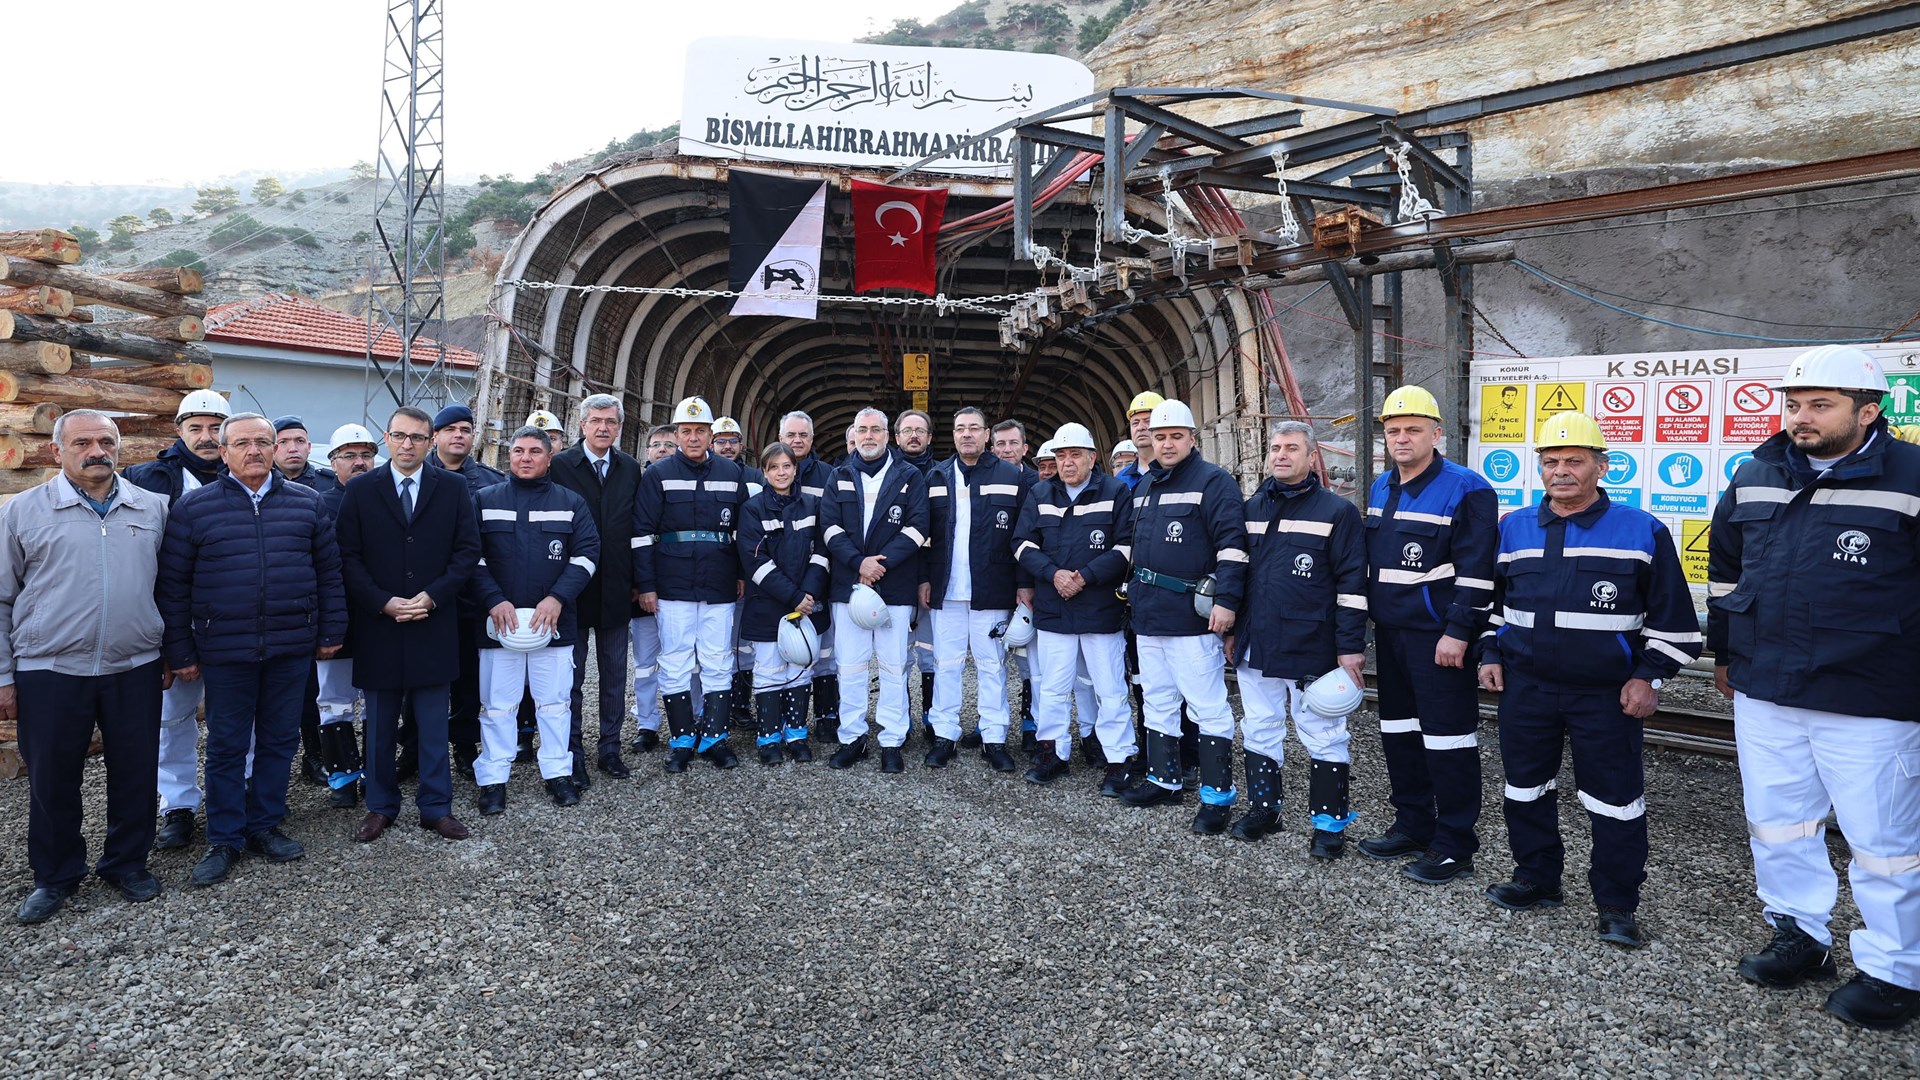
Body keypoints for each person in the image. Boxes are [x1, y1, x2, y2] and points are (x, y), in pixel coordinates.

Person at [1709, 345, 1920, 1030]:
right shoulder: (1755, 473)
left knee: (1884, 843)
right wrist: (1723, 653)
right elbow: (1726, 570)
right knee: (1779, 825)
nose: (1802, 417)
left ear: (1868, 410)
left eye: (1819, 405)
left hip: (1869, 693)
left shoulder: (1912, 475)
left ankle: (1894, 972)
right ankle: (1800, 936)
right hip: (1766, 686)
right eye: (1795, 404)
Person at [1478, 411, 1699, 949]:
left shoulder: (1641, 529)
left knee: (1615, 800)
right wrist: (1490, 652)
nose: (1561, 472)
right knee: (1525, 789)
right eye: (1550, 462)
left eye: (1574, 461)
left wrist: (1650, 677)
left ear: (1601, 466)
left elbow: (1674, 621)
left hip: (1606, 694)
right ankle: (1536, 878)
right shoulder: (1515, 528)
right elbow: (1494, 606)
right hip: (1526, 688)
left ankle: (1617, 904)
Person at [157, 413, 347, 886]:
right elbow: (173, 585)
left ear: (276, 448)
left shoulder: (307, 503)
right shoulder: (194, 508)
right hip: (224, 648)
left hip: (290, 644)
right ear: (224, 453)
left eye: (263, 442)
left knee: (280, 739)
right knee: (226, 744)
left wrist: (329, 631)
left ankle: (264, 824)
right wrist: (180, 650)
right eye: (242, 443)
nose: (254, 451)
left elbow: (329, 574)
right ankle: (224, 836)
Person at [1, 411, 170, 923]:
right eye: (82, 442)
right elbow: (1, 598)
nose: (96, 450)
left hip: (134, 665)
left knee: (136, 772)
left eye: (105, 441)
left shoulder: (154, 507)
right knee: (52, 777)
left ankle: (126, 864)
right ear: (57, 452)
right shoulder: (21, 512)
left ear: (119, 448)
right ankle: (56, 876)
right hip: (51, 668)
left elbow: (168, 586)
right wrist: (4, 675)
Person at [1358, 385, 1497, 883]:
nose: (1401, 438)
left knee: (1449, 740)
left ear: (1436, 434)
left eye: (1412, 429)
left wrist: (1459, 632)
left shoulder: (1468, 488)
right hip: (1391, 635)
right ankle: (1413, 824)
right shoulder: (1382, 486)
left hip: (1438, 638)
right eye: (1393, 430)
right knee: (1399, 733)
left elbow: (1479, 570)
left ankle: (1455, 844)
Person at [334, 405, 482, 844]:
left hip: (434, 621)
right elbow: (348, 557)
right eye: (400, 436)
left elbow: (466, 551)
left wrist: (433, 596)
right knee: (378, 723)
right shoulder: (361, 491)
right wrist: (383, 602)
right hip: (380, 623)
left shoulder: (453, 488)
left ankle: (436, 806)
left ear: (430, 440)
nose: (408, 445)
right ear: (387, 437)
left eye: (417, 437)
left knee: (434, 722)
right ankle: (380, 806)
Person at [1230, 422, 1368, 858]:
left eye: (1292, 448)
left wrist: (1350, 647)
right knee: (1259, 725)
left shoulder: (1336, 512)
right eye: (1275, 448)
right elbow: (1238, 576)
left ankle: (1329, 824)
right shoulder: (1252, 507)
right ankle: (1264, 810)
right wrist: (1234, 630)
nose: (1281, 455)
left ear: (1313, 457)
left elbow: (1352, 585)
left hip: (1310, 641)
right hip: (1256, 640)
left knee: (1323, 730)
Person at [1117, 399, 1248, 834]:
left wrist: (1227, 602)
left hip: (1191, 619)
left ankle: (1216, 797)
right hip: (1148, 616)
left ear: (1192, 438)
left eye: (1175, 436)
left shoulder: (1214, 482)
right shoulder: (1143, 485)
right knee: (1157, 701)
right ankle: (1164, 778)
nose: (1167, 444)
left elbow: (1232, 547)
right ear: (1149, 440)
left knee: (1208, 707)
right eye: (1159, 436)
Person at [471, 427, 600, 812]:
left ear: (549, 458)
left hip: (554, 624)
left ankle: (558, 774)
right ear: (509, 456)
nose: (525, 458)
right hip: (500, 625)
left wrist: (557, 599)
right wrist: (493, 600)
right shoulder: (484, 500)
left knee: (555, 703)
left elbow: (588, 554)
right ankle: (493, 779)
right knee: (497, 705)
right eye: (518, 451)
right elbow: (470, 557)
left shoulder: (570, 502)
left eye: (534, 452)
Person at [125, 389, 229, 853]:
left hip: (235, 620)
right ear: (179, 431)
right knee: (175, 719)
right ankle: (179, 805)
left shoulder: (248, 471)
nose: (206, 438)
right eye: (196, 428)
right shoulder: (148, 479)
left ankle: (237, 798)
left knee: (236, 718)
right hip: (174, 619)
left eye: (214, 428)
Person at [1011, 422, 1136, 792]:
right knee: (1052, 686)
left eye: (1075, 455)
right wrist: (1054, 574)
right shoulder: (1039, 493)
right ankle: (1053, 753)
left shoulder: (1115, 492)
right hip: (1054, 606)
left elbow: (1126, 547)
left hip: (1100, 607)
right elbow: (1022, 544)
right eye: (1061, 456)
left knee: (1110, 686)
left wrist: (1085, 576)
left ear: (1092, 458)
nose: (1067, 463)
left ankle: (1118, 758)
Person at [632, 395, 750, 772]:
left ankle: (715, 737)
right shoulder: (658, 474)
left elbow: (744, 533)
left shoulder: (733, 475)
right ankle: (682, 739)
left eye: (701, 431)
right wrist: (646, 585)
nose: (694, 437)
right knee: (676, 660)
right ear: (678, 434)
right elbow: (640, 534)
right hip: (673, 583)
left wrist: (741, 574)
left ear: (711, 434)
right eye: (687, 431)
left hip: (718, 583)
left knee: (718, 661)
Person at [820, 407, 930, 772]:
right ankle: (852, 738)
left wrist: (878, 566)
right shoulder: (840, 475)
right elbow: (830, 528)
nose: (869, 436)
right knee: (849, 666)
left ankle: (891, 741)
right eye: (862, 430)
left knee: (894, 665)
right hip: (848, 585)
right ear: (854, 434)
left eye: (876, 430)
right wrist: (858, 564)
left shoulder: (909, 476)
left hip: (894, 585)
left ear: (888, 436)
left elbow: (917, 528)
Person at [922, 406, 1031, 770]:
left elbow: (1024, 535)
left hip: (992, 587)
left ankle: (994, 737)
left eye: (974, 428)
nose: (966, 434)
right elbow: (923, 535)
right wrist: (924, 578)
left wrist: (1023, 586)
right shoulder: (935, 476)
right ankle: (945, 734)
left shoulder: (1011, 476)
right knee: (946, 664)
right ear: (952, 435)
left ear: (987, 435)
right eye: (959, 429)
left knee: (991, 665)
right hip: (947, 588)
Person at [549, 394, 642, 779]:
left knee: (615, 675)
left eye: (611, 422)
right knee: (570, 677)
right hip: (572, 589)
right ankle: (572, 752)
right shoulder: (559, 466)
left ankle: (610, 748)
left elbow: (639, 529)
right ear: (582, 425)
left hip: (617, 586)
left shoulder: (630, 468)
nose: (603, 427)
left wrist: (640, 583)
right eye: (596, 421)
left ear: (619, 427)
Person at [422, 403, 505, 776]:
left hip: (473, 597)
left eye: (466, 429)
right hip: (426, 595)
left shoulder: (491, 482)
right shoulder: (413, 476)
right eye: (450, 429)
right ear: (434, 436)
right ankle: (416, 747)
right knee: (422, 678)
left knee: (470, 678)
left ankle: (465, 744)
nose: (459, 435)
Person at [736, 443, 831, 764]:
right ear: (764, 472)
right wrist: (794, 596)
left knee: (802, 668)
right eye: (774, 467)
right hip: (769, 604)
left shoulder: (812, 505)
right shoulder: (753, 509)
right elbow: (755, 561)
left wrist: (809, 593)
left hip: (807, 602)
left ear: (795, 469)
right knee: (769, 670)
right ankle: (768, 737)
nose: (781, 472)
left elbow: (821, 552)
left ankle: (797, 733)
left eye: (786, 466)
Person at [314, 424, 381, 811]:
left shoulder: (388, 498)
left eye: (366, 455)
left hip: (378, 618)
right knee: (334, 700)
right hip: (337, 620)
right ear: (333, 460)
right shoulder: (318, 504)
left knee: (378, 700)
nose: (359, 463)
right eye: (349, 455)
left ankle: (375, 772)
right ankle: (341, 775)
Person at [273, 414, 340, 792]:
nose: (293, 448)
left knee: (320, 688)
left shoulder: (325, 487)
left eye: (300, 441)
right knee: (292, 692)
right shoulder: (258, 487)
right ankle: (292, 758)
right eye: (284, 442)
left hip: (316, 601)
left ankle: (318, 755)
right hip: (283, 604)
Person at [778, 410, 840, 736]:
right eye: (791, 435)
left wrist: (816, 581)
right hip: (781, 580)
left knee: (825, 651)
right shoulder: (770, 475)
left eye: (803, 435)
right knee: (788, 649)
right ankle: (791, 721)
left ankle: (828, 718)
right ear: (781, 439)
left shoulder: (830, 476)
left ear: (812, 440)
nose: (797, 440)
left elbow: (831, 529)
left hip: (821, 576)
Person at [627, 423, 680, 754]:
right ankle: (646, 722)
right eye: (656, 444)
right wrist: (637, 583)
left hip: (678, 586)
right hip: (643, 589)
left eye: (669, 445)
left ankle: (688, 720)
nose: (662, 449)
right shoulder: (634, 483)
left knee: (684, 660)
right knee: (645, 663)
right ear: (647, 451)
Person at [712, 415, 763, 734]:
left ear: (742, 445)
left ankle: (741, 706)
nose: (728, 446)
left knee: (743, 643)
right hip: (716, 571)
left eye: (733, 441)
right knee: (718, 646)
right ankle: (714, 706)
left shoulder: (756, 478)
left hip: (747, 571)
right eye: (721, 441)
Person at [894, 409, 939, 729]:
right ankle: (901, 717)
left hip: (934, 574)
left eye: (920, 431)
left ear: (930, 438)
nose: (914, 435)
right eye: (907, 430)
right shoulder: (887, 473)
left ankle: (931, 716)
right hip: (896, 572)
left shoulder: (943, 475)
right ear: (896, 437)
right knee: (898, 654)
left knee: (930, 651)